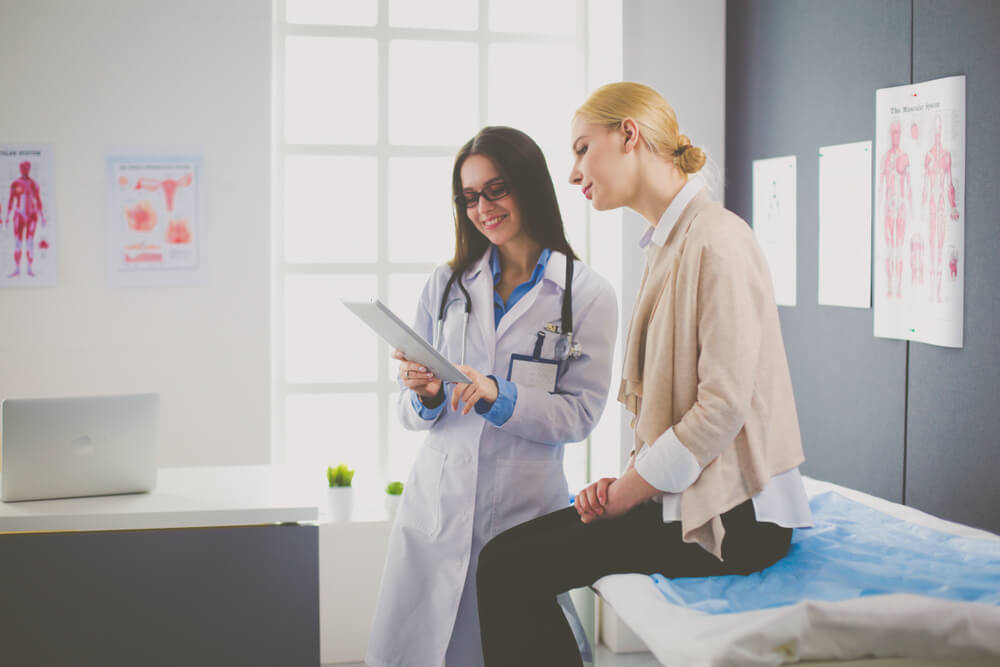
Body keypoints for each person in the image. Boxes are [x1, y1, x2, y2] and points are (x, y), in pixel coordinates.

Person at [476, 82, 813, 666]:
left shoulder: (718, 241)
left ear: (629, 134)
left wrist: (629, 492)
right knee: (507, 560)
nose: (574, 173)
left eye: (582, 149)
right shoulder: (672, 244)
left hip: (738, 517)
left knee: (507, 565)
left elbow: (721, 408)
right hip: (694, 494)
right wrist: (632, 480)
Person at [365, 126, 618, 667]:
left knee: (517, 650)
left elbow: (580, 415)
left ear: (529, 185)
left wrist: (495, 394)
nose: (483, 208)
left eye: (496, 189)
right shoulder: (446, 285)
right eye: (470, 196)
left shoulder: (586, 294)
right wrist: (426, 395)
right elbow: (408, 412)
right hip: (437, 507)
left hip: (524, 514)